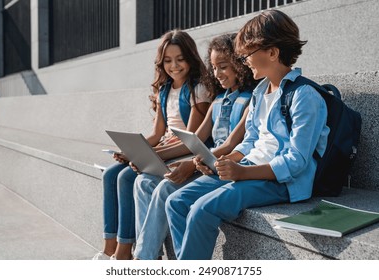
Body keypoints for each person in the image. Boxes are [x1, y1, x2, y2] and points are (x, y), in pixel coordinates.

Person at [165, 9, 330, 260]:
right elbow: (251, 141)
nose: (244, 62)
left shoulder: (304, 96)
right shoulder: (259, 92)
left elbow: (297, 161)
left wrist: (243, 173)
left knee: (202, 209)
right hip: (249, 167)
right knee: (176, 202)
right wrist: (228, 160)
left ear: (273, 53)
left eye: (247, 55)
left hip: (281, 183)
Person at [132, 33, 257, 260]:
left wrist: (191, 164)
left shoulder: (250, 99)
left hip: (225, 167)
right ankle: (147, 259)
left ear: (240, 64)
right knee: (147, 182)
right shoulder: (218, 100)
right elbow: (196, 140)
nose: (217, 74)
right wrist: (178, 159)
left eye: (223, 66)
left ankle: (147, 260)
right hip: (206, 164)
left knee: (167, 190)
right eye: (214, 67)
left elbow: (232, 144)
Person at [93, 29, 211, 260]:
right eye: (168, 60)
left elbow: (191, 139)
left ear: (190, 58)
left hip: (179, 155)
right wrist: (132, 150)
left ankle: (125, 251)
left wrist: (148, 154)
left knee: (127, 177)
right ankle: (110, 248)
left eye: (180, 59)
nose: (174, 65)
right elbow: (157, 133)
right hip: (163, 151)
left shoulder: (198, 90)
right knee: (110, 174)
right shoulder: (165, 91)